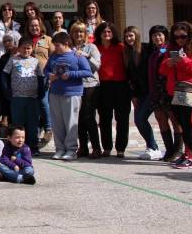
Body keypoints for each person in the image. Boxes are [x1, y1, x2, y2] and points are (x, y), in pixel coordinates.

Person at [159, 21, 192, 169]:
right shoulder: (170, 50)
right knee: (182, 124)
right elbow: (162, 71)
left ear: (190, 36)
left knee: (191, 124)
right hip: (176, 91)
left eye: (183, 36)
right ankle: (186, 154)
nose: (179, 40)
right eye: (176, 37)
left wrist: (184, 61)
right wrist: (168, 63)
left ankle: (191, 157)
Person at [45, 31, 92, 161]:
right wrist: (50, 75)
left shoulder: (77, 56)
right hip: (55, 93)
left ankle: (71, 150)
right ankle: (59, 149)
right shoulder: (54, 56)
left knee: (71, 123)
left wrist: (71, 74)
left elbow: (88, 72)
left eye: (57, 45)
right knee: (57, 123)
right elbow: (46, 69)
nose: (55, 48)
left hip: (72, 93)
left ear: (66, 44)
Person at [146, 25, 183, 162]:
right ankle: (169, 151)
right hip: (156, 92)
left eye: (160, 35)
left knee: (175, 120)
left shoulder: (172, 50)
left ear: (165, 36)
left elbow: (178, 67)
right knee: (161, 120)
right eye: (154, 35)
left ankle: (178, 151)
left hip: (170, 91)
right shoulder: (153, 52)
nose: (157, 37)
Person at [123, 25, 161, 160]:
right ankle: (152, 146)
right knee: (139, 120)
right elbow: (130, 77)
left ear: (137, 35)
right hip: (140, 93)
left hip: (152, 91)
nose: (129, 39)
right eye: (126, 36)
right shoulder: (128, 53)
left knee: (140, 119)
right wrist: (133, 95)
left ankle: (154, 147)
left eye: (131, 35)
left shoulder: (147, 49)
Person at [2, 38, 43, 153]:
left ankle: (33, 147)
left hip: (32, 98)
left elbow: (40, 77)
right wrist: (6, 90)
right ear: (19, 48)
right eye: (24, 48)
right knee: (18, 124)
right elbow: (4, 75)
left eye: (28, 48)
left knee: (33, 123)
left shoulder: (36, 61)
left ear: (32, 49)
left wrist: (41, 91)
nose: (26, 50)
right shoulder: (13, 60)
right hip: (17, 97)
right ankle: (17, 147)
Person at [95, 22, 129, 158]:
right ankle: (107, 147)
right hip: (103, 87)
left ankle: (121, 148)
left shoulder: (121, 47)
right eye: (104, 32)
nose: (107, 34)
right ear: (99, 34)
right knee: (104, 119)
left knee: (122, 119)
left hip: (121, 86)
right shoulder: (95, 48)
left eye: (109, 32)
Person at [69, 22, 102, 159]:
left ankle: (96, 148)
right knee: (79, 118)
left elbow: (97, 66)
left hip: (90, 85)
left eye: (81, 32)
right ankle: (83, 147)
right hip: (75, 85)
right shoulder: (69, 48)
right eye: (76, 32)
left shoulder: (91, 47)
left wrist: (86, 56)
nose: (78, 34)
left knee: (89, 117)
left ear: (85, 34)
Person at [26, 17, 53, 145]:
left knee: (43, 102)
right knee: (33, 105)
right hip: (29, 77)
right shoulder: (26, 40)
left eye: (36, 25)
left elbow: (54, 57)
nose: (34, 28)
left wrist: (52, 74)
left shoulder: (47, 40)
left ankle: (48, 128)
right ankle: (35, 131)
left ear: (40, 26)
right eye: (32, 26)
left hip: (44, 76)